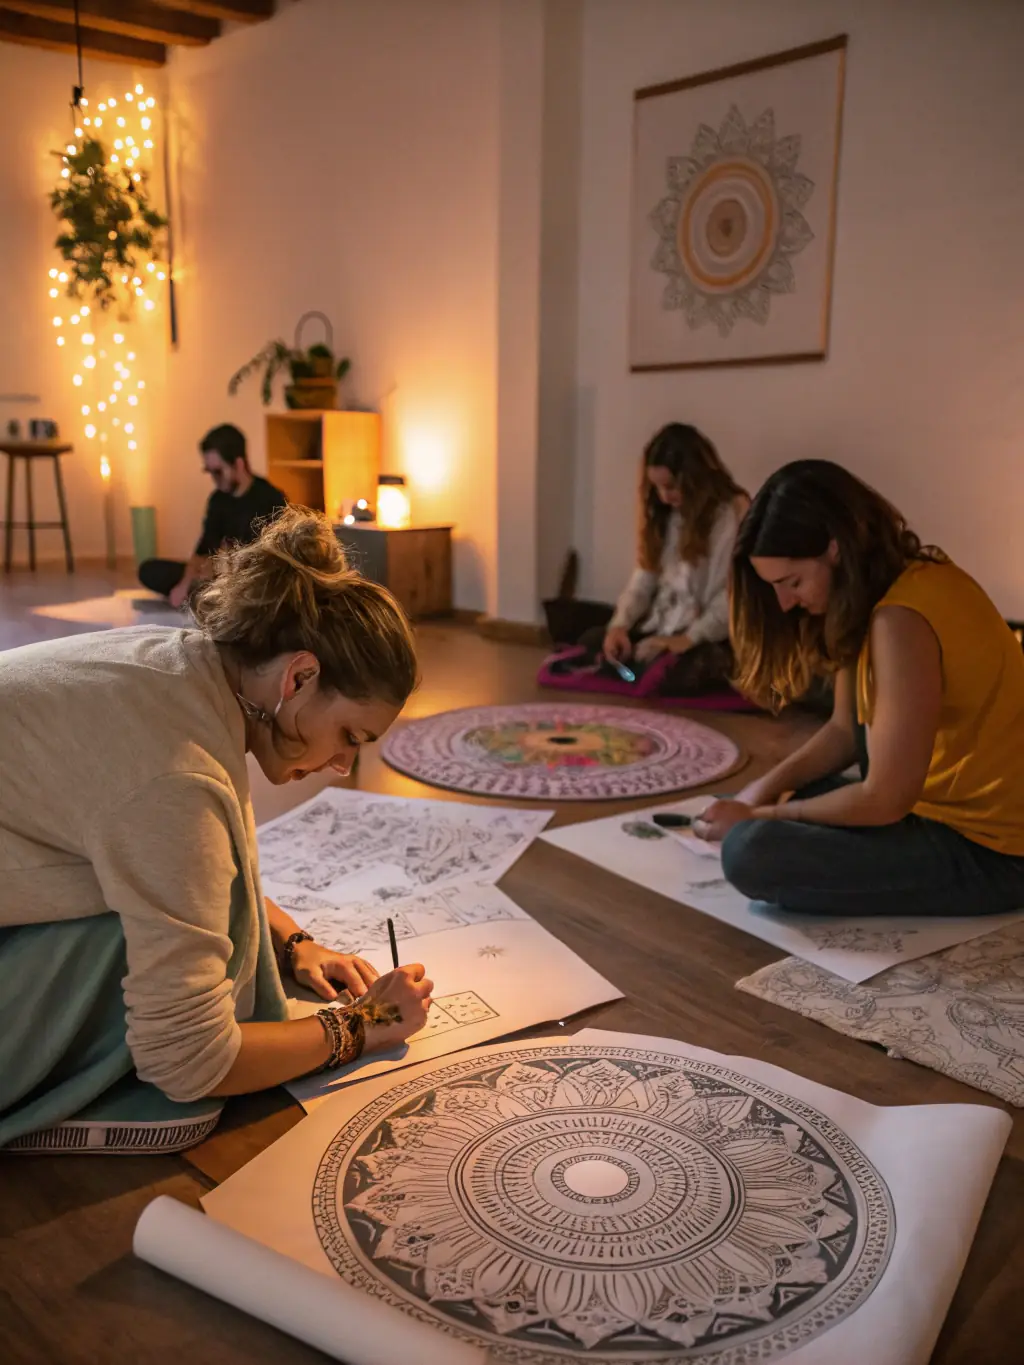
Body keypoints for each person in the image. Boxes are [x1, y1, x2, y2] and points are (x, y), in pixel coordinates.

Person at [0, 507, 432, 1153]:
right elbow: (188, 1059)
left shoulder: (180, 667)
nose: (342, 766)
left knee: (215, 910)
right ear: (299, 676)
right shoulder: (177, 774)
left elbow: (188, 872)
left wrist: (291, 942)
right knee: (189, 976)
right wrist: (363, 1024)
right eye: (349, 737)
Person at [693, 460, 1024, 918]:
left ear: (834, 549)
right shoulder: (878, 595)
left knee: (750, 853)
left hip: (993, 853)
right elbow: (846, 732)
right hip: (928, 812)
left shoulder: (902, 620)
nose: (786, 603)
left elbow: (884, 798)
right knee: (796, 798)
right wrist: (759, 791)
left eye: (792, 582)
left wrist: (758, 818)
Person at [581, 423, 748, 695]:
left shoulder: (730, 513)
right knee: (594, 640)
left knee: (677, 669)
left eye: (670, 486)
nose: (664, 496)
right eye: (657, 488)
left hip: (703, 635)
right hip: (661, 628)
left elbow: (730, 597)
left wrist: (687, 639)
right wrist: (619, 626)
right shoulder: (664, 513)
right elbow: (643, 581)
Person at [138, 424, 288, 608]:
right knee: (149, 570)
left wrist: (222, 569)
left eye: (218, 471)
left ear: (239, 464)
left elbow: (274, 559)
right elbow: (205, 548)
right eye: (210, 472)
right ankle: (210, 596)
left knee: (265, 588)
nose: (214, 479)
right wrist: (185, 583)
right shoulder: (218, 500)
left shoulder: (270, 498)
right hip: (220, 577)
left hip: (256, 579)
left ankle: (216, 598)